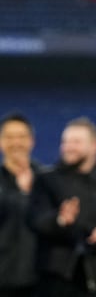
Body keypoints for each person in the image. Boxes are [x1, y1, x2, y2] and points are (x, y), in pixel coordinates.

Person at [28, 117, 96, 297]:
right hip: (54, 280)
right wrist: (60, 220)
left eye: (76, 142)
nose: (68, 147)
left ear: (94, 146)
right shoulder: (45, 180)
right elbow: (35, 219)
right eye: (65, 141)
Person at [0, 113, 40, 297]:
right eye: (9, 137)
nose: (16, 142)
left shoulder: (48, 180)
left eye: (21, 137)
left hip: (40, 281)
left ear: (31, 141)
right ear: (1, 142)